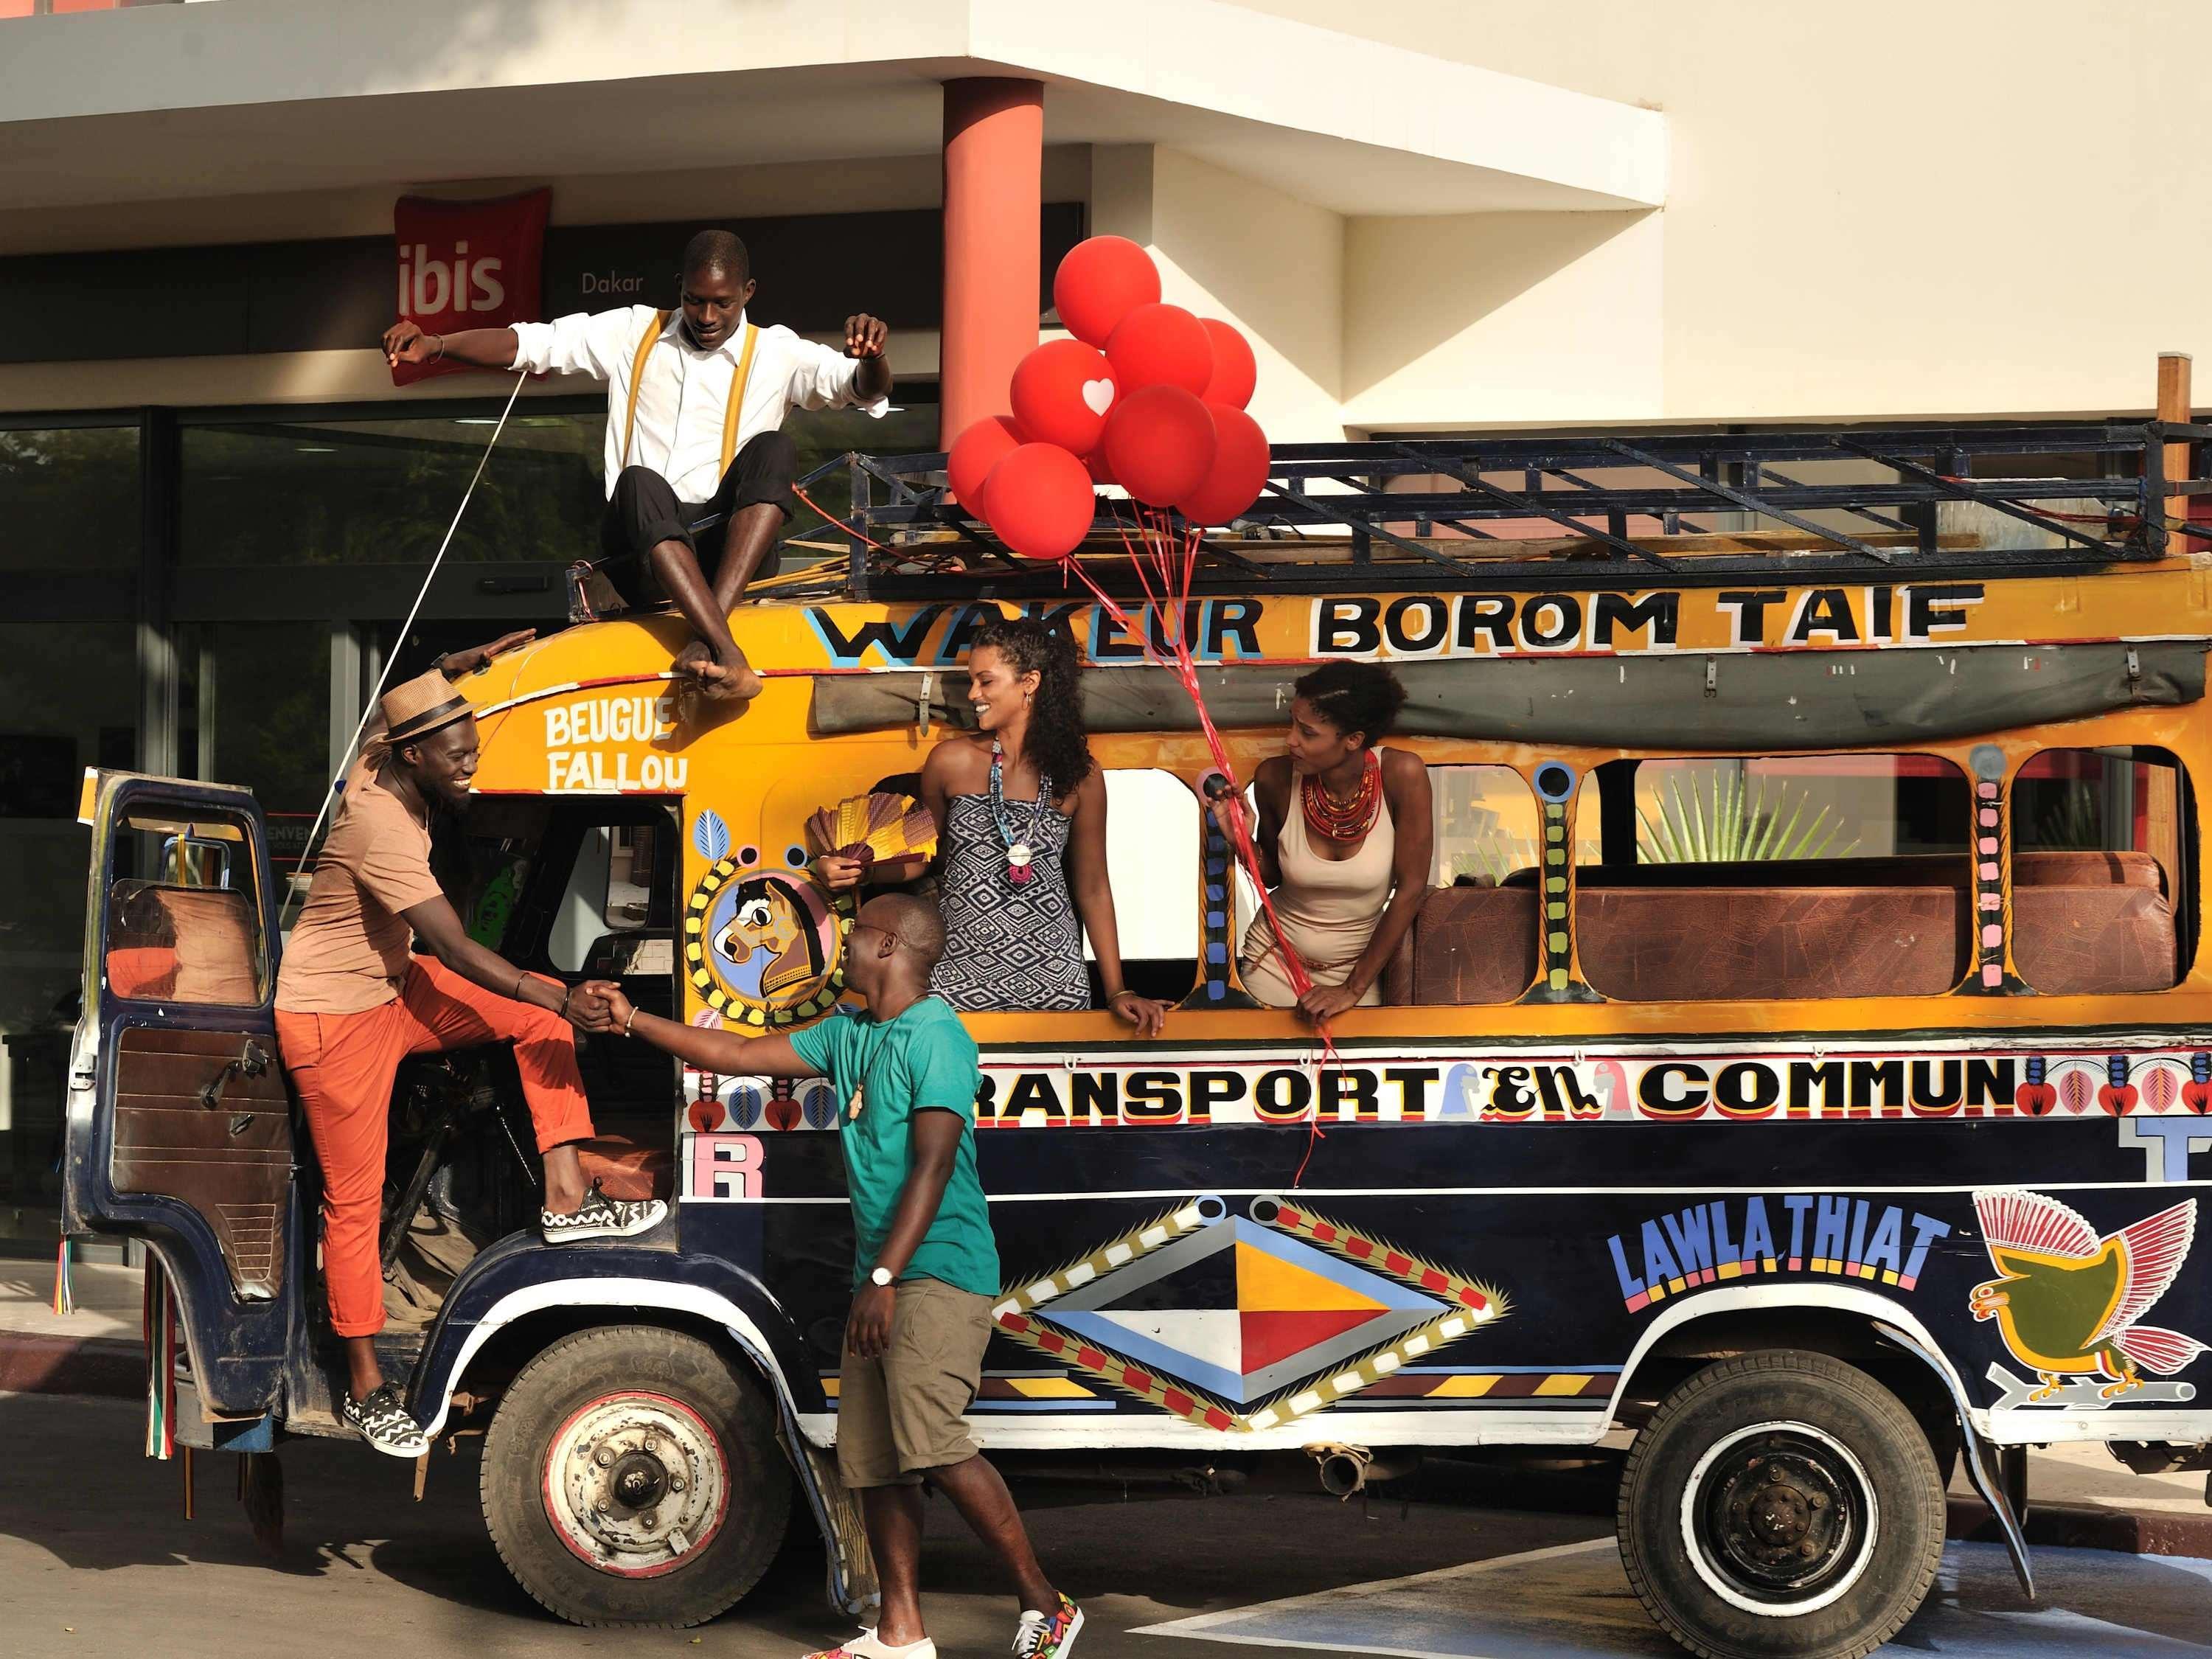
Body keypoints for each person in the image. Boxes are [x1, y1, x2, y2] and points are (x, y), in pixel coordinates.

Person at [580, 894, 1085, 1659]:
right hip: (880, 1279)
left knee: (936, 1447)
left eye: (850, 940)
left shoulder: (937, 1036)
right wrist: (629, 1020)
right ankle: (901, 1633)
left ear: (887, 946)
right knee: (877, 1465)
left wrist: (883, 1275)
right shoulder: (852, 1034)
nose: (838, 953)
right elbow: (740, 1056)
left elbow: (934, 1164)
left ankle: (1046, 1604)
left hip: (936, 1272)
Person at [275, 642, 667, 1459]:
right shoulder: (377, 822)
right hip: (334, 1018)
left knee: (536, 1022)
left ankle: (565, 1202)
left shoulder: (384, 755)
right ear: (415, 755)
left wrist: (471, 661)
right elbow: (453, 948)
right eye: (457, 759)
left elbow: (401, 694)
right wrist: (563, 994)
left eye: (473, 751)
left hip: (389, 983)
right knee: (355, 1201)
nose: (470, 771)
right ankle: (363, 1385)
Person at [381, 228, 891, 702]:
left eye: (723, 303)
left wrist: (871, 358)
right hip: (643, 556)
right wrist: (438, 346)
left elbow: (863, 389)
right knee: (637, 481)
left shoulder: (777, 350)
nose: (707, 317)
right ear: (679, 289)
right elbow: (530, 344)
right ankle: (728, 651)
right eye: (695, 300)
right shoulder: (633, 331)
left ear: (749, 292)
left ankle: (708, 632)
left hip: (730, 554)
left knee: (774, 449)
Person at [817, 615, 1168, 1034]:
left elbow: (1093, 887)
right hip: (957, 977)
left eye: (986, 681)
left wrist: (1116, 991)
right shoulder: (950, 761)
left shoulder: (1081, 775)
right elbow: (923, 860)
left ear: (1030, 683)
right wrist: (858, 870)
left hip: (1056, 982)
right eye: (971, 681)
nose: (973, 694)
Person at [1217, 661, 1433, 1020]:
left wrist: (1351, 989)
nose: (1291, 740)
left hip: (1359, 973)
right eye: (1292, 723)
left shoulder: (1401, 775)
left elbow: (1411, 890)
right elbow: (1270, 877)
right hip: (1273, 962)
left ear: (1353, 740)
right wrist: (1242, 839)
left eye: (1308, 732)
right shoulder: (1275, 778)